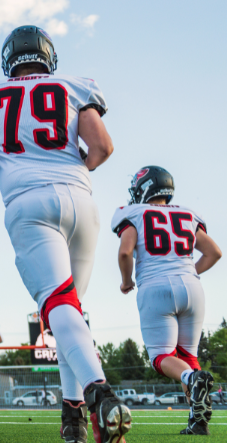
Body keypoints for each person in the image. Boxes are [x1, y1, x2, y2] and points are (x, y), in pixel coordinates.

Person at [0, 25, 129, 443]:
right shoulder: (74, 86)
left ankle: (100, 394)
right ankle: (71, 419)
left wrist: (14, 154)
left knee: (59, 307)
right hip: (80, 199)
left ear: (8, 59)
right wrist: (72, 167)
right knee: (69, 311)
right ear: (48, 57)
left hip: (28, 202)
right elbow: (103, 147)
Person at [112, 166, 221, 435]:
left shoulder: (133, 213)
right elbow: (214, 252)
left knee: (161, 357)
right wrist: (189, 273)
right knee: (187, 358)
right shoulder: (187, 213)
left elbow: (125, 252)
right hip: (193, 289)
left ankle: (191, 379)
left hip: (156, 286)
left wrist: (126, 281)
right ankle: (198, 422)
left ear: (144, 188)